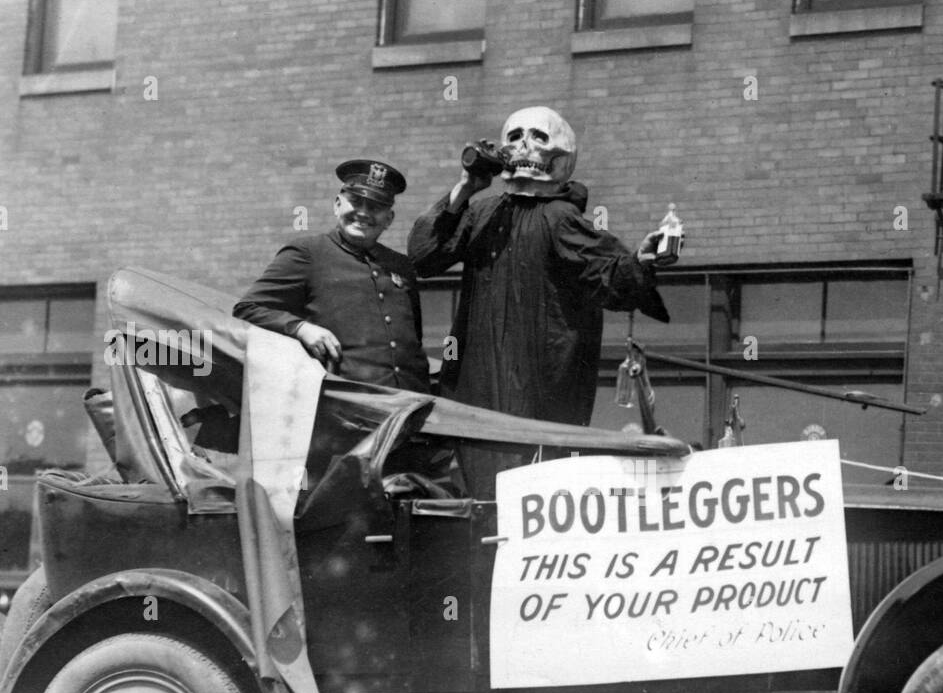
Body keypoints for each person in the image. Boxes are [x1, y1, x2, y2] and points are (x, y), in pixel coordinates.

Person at [408, 106, 674, 497]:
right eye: (514, 137)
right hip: (477, 381)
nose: (523, 147)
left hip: (538, 385)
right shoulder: (482, 212)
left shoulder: (561, 218)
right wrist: (467, 186)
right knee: (481, 485)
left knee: (530, 479)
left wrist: (642, 261)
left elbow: (611, 276)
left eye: (538, 138)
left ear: (560, 154)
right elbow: (424, 255)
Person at [233, 159, 429, 392]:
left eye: (375, 207)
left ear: (389, 219)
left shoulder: (401, 265)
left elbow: (414, 338)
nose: (363, 213)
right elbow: (248, 308)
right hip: (346, 404)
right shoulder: (308, 253)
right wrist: (300, 328)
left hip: (413, 399)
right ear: (337, 205)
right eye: (355, 202)